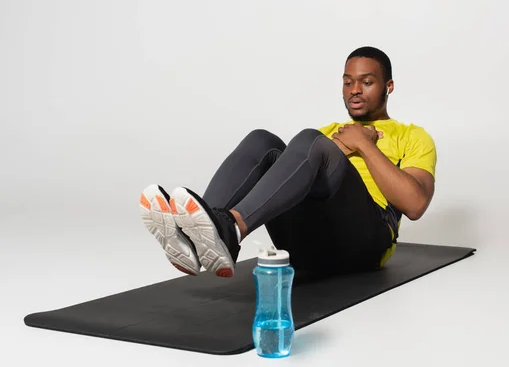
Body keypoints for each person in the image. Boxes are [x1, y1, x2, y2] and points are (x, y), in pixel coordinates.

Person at [139, 46, 437, 278]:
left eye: (366, 82)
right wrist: (339, 146)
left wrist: (362, 144)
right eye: (348, 82)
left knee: (311, 141)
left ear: (389, 86)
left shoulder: (412, 136)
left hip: (366, 246)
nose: (354, 90)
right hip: (307, 244)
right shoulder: (327, 135)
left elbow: (414, 204)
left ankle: (232, 228)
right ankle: (197, 235)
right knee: (262, 141)